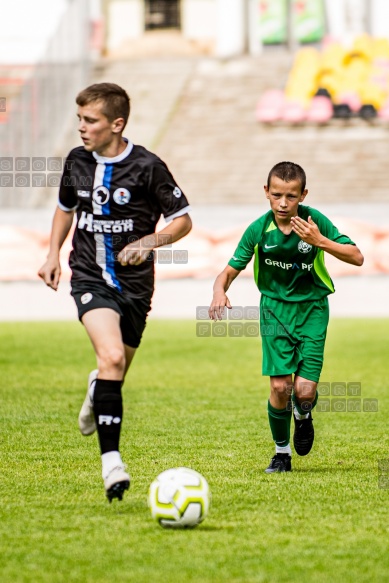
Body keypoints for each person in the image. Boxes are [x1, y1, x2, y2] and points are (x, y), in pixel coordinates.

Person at [38, 83, 192, 501]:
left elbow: (182, 221)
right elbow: (65, 208)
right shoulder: (77, 161)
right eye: (79, 120)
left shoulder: (148, 167)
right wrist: (52, 253)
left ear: (117, 124)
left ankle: (97, 388)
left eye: (90, 121)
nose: (81, 129)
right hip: (88, 276)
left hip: (136, 288)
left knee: (115, 369)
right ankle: (112, 464)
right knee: (109, 358)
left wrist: (148, 243)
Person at [208, 161, 363, 473]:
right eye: (276, 194)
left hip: (313, 309)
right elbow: (227, 271)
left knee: (304, 392)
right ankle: (282, 454)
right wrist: (218, 292)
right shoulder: (258, 230)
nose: (282, 202)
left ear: (303, 194)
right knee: (280, 388)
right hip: (274, 311)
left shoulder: (314, 221)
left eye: (291, 196)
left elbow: (357, 257)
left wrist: (321, 241)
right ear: (266, 192)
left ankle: (303, 416)